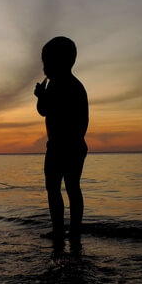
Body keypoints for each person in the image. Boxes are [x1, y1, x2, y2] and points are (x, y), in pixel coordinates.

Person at [34, 36, 89, 245]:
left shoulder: (62, 85)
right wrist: (42, 96)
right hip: (71, 145)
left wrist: (42, 97)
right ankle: (71, 230)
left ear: (61, 62)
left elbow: (46, 110)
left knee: (58, 187)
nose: (44, 67)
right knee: (68, 187)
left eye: (47, 62)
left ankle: (62, 230)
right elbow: (44, 110)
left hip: (63, 145)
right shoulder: (68, 85)